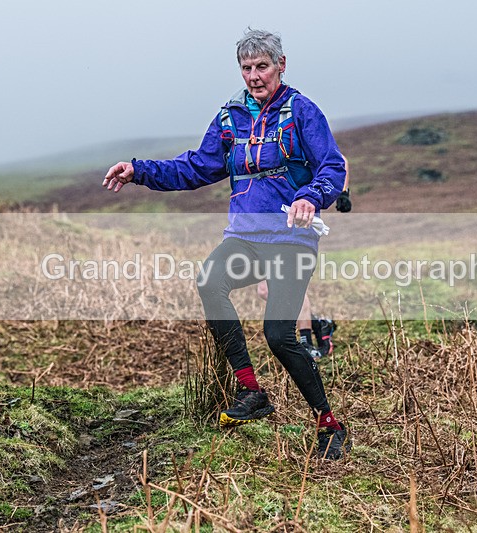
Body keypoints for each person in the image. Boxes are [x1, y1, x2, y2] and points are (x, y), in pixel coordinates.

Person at [103, 29, 351, 460]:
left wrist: (311, 196)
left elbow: (331, 166)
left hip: (291, 240)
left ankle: (328, 424)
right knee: (209, 282)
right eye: (247, 68)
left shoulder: (302, 111)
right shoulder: (229, 118)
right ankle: (251, 391)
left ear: (282, 66)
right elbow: (195, 167)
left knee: (278, 335)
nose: (254, 76)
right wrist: (138, 170)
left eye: (263, 67)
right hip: (244, 238)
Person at [257, 154, 349, 361]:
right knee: (264, 289)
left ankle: (306, 342)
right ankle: (317, 323)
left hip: (299, 225)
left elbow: (340, 160)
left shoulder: (306, 136)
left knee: (292, 286)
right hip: (271, 225)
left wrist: (344, 194)